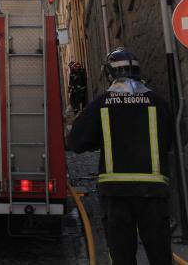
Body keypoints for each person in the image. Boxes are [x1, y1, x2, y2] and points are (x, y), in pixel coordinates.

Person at [68, 48, 173, 265]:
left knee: (122, 255)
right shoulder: (158, 103)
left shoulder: (101, 104)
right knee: (160, 254)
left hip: (116, 193)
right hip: (153, 192)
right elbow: (170, 139)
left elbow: (75, 142)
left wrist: (102, 138)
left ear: (109, 74)